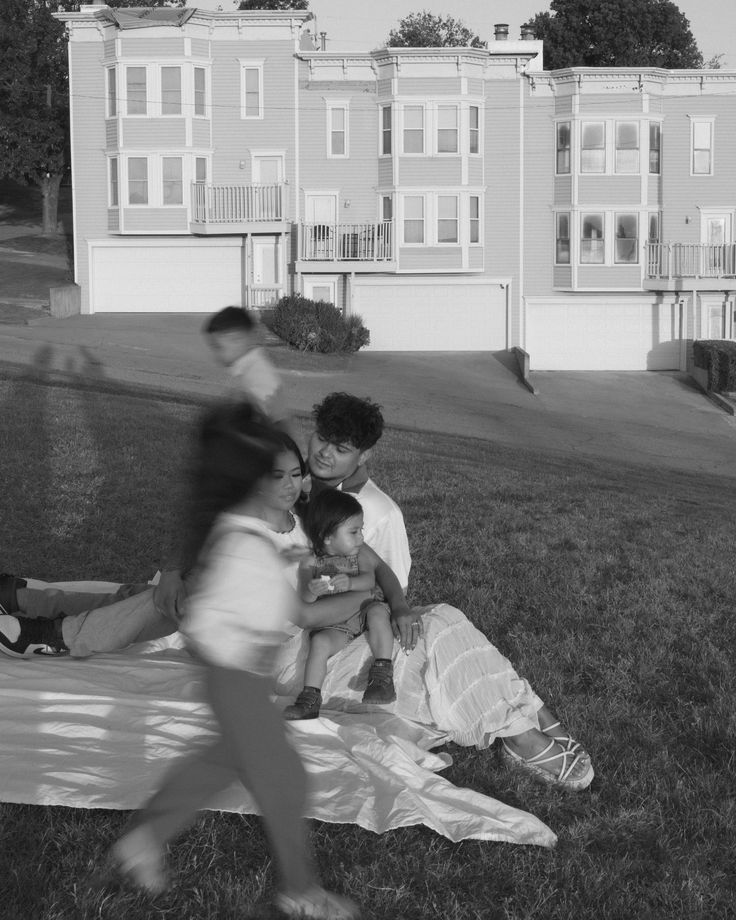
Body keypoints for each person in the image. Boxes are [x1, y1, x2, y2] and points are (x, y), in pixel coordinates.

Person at [0, 393, 593, 790]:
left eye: (340, 447)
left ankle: (528, 728)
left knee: (441, 626)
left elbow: (384, 585)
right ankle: (31, 604)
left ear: (366, 455)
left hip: (330, 630)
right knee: (150, 591)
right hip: (272, 610)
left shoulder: (372, 513)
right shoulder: (301, 490)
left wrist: (384, 607)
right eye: (322, 440)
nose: (323, 453)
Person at [107, 402, 359, 920]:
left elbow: (284, 600)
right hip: (236, 674)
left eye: (296, 474)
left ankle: (144, 838)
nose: (292, 484)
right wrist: (351, 597)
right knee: (285, 779)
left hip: (243, 670)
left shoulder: (252, 528)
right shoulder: (242, 537)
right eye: (275, 474)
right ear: (245, 476)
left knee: (221, 760)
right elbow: (281, 611)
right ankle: (300, 892)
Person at [284, 488, 396, 720]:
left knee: (377, 612)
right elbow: (305, 598)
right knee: (320, 643)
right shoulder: (311, 562)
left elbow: (370, 579)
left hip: (364, 611)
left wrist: (350, 582)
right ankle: (310, 698)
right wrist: (312, 590)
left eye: (361, 530)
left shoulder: (358, 555)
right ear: (327, 537)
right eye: (354, 532)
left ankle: (383, 674)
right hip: (336, 624)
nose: (361, 538)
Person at [204, 305, 289, 428]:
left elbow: (268, 420)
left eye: (218, 347)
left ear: (237, 340)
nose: (215, 355)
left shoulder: (258, 374)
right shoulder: (245, 368)